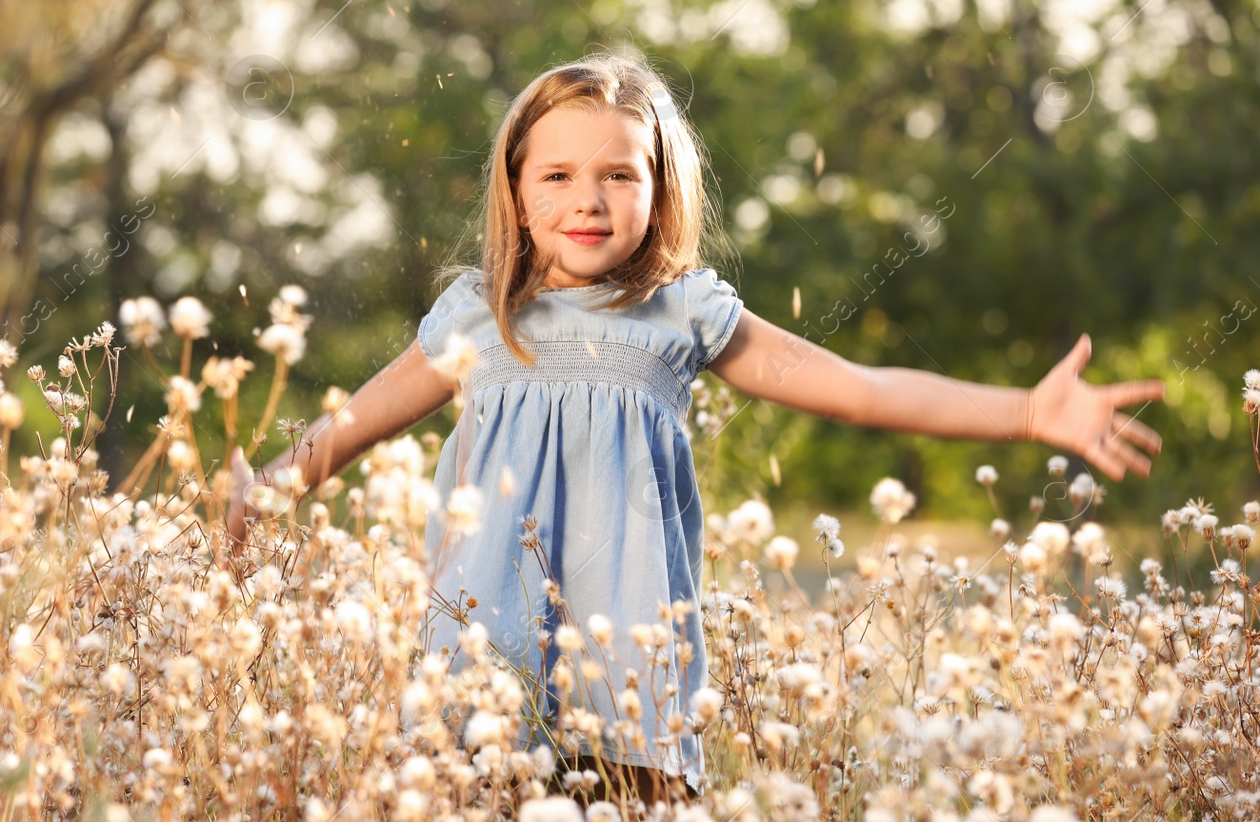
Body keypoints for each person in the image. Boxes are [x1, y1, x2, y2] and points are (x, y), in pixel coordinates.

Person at [226, 53, 1165, 804]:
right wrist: (265, 489)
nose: (587, 199)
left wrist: (1028, 412)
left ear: (659, 188)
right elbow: (355, 422)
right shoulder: (480, 315)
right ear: (515, 192)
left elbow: (859, 388)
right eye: (556, 174)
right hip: (484, 646)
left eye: (618, 175)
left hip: (633, 648)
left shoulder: (684, 311)